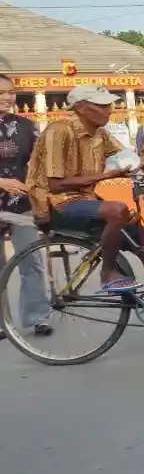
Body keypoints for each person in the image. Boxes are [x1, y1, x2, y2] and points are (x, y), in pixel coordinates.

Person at [26, 84, 144, 292]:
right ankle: (108, 272)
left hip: (85, 201)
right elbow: (55, 185)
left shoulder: (99, 133)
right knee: (117, 210)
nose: (109, 110)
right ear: (82, 107)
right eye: (102, 106)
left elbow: (133, 160)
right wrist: (107, 174)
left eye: (109, 105)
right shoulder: (59, 131)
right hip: (54, 204)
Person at [0, 73, 52, 337]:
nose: (7, 97)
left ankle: (38, 316)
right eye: (1, 93)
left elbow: (39, 162)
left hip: (21, 203)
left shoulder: (25, 126)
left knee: (30, 260)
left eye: (10, 92)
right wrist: (2, 182)